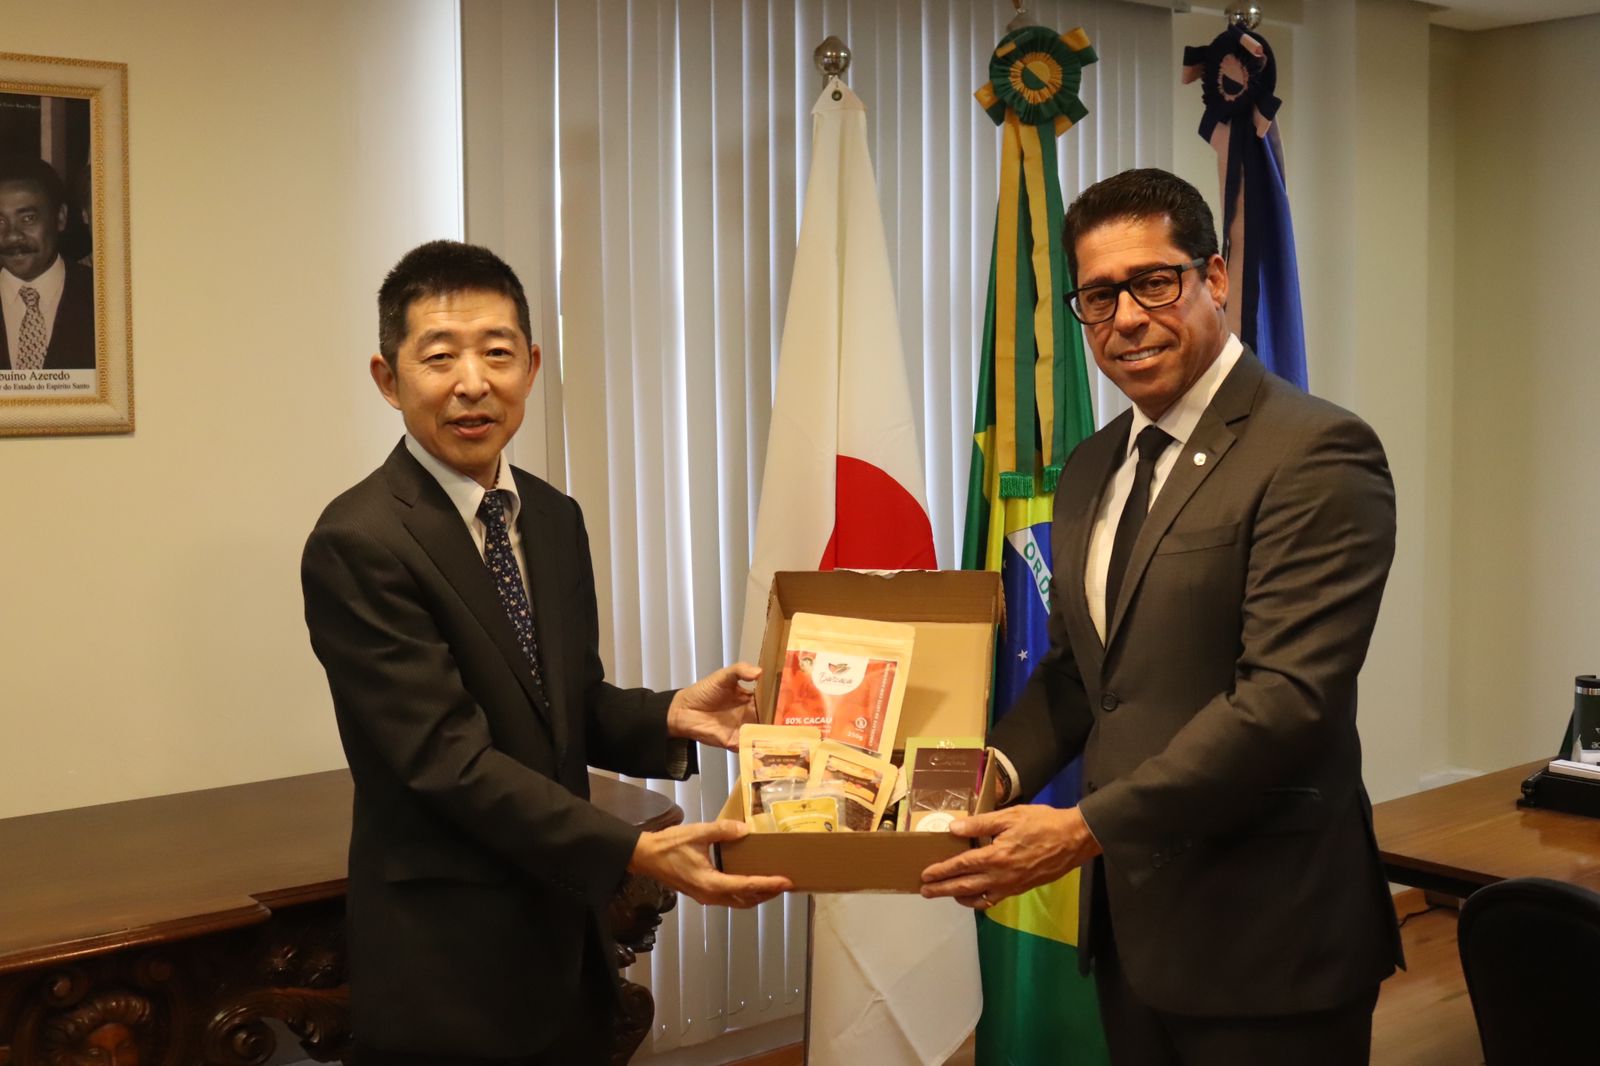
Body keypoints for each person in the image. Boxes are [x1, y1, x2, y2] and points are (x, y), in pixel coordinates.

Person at [921, 169, 1402, 1065]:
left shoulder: (1316, 451)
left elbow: (1287, 701)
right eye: (1099, 297)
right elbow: (1079, 675)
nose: (1127, 319)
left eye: (1154, 282)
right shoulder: (1092, 465)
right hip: (1136, 933)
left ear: (1213, 277)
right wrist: (987, 771)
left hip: (1270, 937)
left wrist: (1081, 829)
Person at [302, 240, 790, 1065]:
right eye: (439, 356)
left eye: (496, 353)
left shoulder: (551, 518)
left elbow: (563, 703)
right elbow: (445, 761)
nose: (472, 383)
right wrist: (631, 849)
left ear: (530, 366)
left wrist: (669, 713)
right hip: (446, 954)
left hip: (564, 928)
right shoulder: (360, 540)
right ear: (389, 380)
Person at [0, 154, 94, 371]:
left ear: (60, 218)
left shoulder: (105, 296)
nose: (12, 236)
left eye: (28, 218)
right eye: (0, 221)